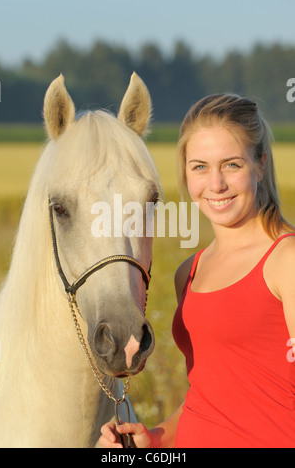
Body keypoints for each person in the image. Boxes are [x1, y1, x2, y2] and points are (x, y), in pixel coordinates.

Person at [99, 94, 295, 448]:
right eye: (200, 167)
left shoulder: (287, 260)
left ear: (261, 164)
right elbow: (208, 396)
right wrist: (153, 439)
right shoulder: (189, 272)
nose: (216, 184)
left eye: (232, 165)